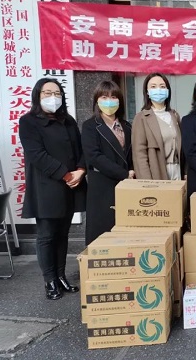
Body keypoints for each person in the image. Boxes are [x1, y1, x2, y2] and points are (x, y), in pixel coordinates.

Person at [19, 78, 86, 300]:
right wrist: (65, 174)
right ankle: (49, 280)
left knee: (63, 234)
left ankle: (61, 276)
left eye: (57, 93)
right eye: (47, 93)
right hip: (47, 187)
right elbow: (37, 155)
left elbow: (80, 149)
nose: (52, 97)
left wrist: (81, 170)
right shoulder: (28, 122)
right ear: (37, 96)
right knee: (47, 235)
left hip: (70, 186)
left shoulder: (68, 120)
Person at [81, 81, 134, 246]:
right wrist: (124, 173)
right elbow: (94, 156)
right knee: (102, 234)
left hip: (126, 186)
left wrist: (132, 171)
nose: (109, 101)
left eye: (113, 97)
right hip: (102, 186)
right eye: (104, 97)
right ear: (97, 101)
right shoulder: (90, 126)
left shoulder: (127, 126)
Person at [132, 73, 182, 180]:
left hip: (177, 170)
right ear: (147, 92)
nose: (158, 90)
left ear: (167, 91)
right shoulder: (141, 118)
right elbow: (140, 155)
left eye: (162, 86)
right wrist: (147, 182)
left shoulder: (174, 115)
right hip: (157, 172)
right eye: (153, 86)